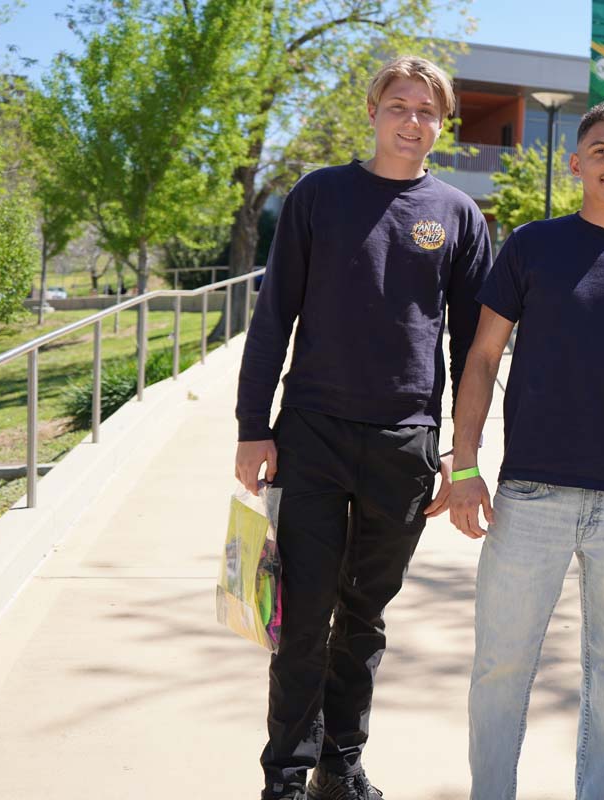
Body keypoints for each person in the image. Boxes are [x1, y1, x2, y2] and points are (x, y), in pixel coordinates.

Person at [233, 55, 492, 800]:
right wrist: (255, 427)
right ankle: (284, 777)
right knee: (306, 613)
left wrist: (462, 456)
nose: (413, 122)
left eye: (427, 111)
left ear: (442, 126)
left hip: (403, 443)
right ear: (374, 112)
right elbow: (273, 315)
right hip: (311, 433)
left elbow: (472, 350)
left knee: (366, 616)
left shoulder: (458, 216)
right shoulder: (319, 196)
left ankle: (339, 769)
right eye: (399, 106)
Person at [448, 100, 604, 800]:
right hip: (530, 498)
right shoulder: (532, 245)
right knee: (501, 669)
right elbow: (482, 358)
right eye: (600, 150)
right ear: (576, 161)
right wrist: (464, 466)